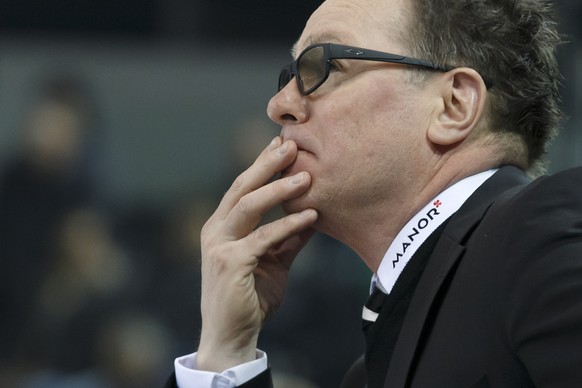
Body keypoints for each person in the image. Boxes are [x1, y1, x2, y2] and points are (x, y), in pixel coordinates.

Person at [167, 0, 582, 386]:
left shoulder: (543, 234)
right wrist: (225, 354)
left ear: (453, 105)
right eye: (289, 75)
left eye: (322, 65)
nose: (279, 104)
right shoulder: (365, 376)